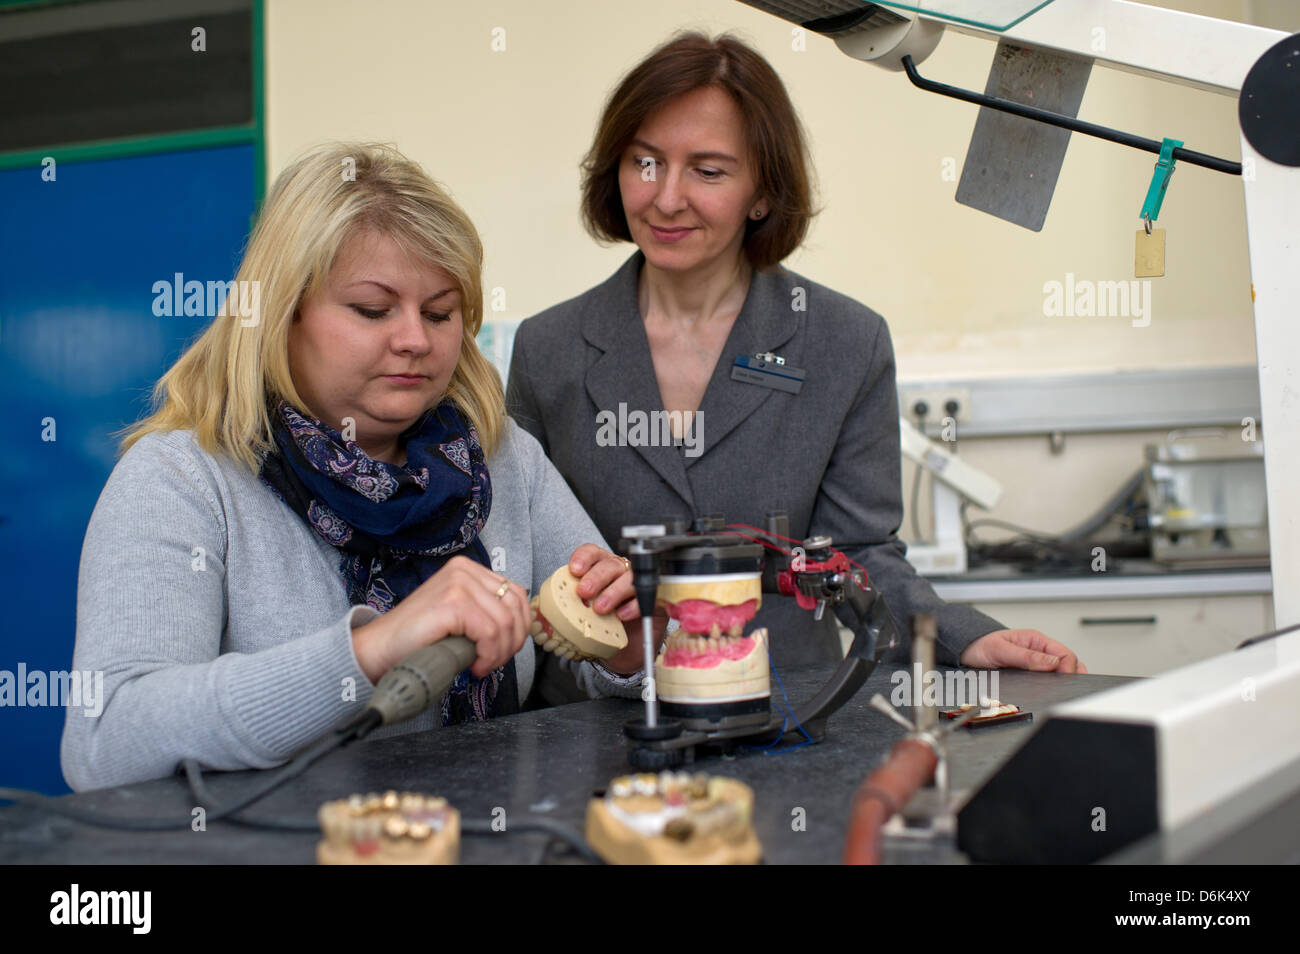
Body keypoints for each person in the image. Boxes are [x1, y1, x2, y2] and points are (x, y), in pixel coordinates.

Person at [61, 142, 650, 792]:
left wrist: (628, 647)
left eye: (439, 313)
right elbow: (105, 743)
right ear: (282, 315)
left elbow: (603, 663)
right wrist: (371, 648)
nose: (415, 340)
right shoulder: (181, 479)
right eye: (373, 310)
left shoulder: (503, 456)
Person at [507, 32, 1086, 673]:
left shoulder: (842, 342)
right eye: (645, 162)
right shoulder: (548, 349)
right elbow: (524, 560)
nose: (667, 197)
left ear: (762, 192)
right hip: (596, 725)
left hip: (789, 715)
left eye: (708, 170)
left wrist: (960, 638)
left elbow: (858, 555)